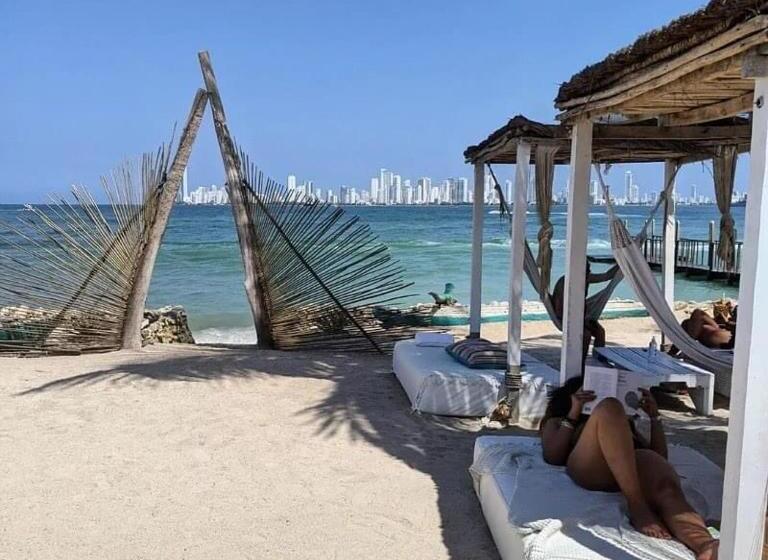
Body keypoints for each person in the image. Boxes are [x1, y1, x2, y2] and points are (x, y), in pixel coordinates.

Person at [540, 377, 719, 560]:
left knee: (667, 488)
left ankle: (705, 544)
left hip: (628, 470)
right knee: (610, 407)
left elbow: (658, 457)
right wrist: (574, 411)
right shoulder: (560, 420)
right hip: (592, 467)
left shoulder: (625, 424)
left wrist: (654, 417)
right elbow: (553, 456)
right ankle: (637, 505)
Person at [552, 259, 618, 365]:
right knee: (586, 335)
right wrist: (579, 320)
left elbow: (606, 276)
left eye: (589, 271)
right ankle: (580, 363)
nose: (589, 273)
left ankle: (600, 360)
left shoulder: (585, 278)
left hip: (580, 316)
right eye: (587, 271)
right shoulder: (564, 282)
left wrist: (621, 264)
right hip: (565, 317)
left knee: (600, 332)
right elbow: (559, 309)